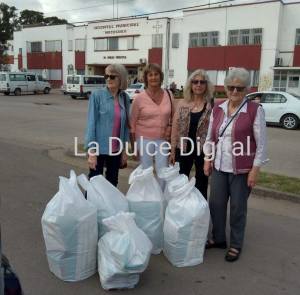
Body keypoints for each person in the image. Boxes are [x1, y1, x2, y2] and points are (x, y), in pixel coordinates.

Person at [204, 67, 268, 262]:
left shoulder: (254, 110)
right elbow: (210, 137)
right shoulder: (218, 108)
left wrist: (254, 171)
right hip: (219, 167)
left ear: (246, 89)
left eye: (239, 89)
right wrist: (208, 159)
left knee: (238, 208)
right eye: (231, 87)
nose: (234, 92)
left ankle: (236, 244)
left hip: (242, 168)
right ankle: (218, 238)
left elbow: (262, 144)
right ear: (226, 88)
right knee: (216, 205)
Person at [170, 69, 214, 199]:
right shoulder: (182, 103)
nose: (198, 85)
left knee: (201, 182)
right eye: (195, 82)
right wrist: (172, 151)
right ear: (191, 84)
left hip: (202, 150)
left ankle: (199, 211)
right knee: (180, 181)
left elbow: (214, 130)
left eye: (202, 82)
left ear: (206, 85)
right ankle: (180, 210)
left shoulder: (210, 105)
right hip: (183, 148)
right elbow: (175, 127)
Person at [84, 63, 130, 187]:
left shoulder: (125, 98)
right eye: (106, 76)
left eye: (112, 76)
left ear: (121, 78)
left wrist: (125, 150)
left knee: (112, 182)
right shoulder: (97, 95)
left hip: (116, 149)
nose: (108, 79)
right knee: (94, 183)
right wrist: (92, 151)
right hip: (99, 148)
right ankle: (91, 206)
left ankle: (109, 207)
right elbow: (91, 123)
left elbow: (126, 126)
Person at [130, 63, 174, 188]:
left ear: (161, 77)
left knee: (163, 172)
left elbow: (173, 115)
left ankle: (161, 200)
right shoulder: (139, 98)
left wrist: (170, 127)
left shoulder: (168, 94)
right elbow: (132, 124)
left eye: (156, 74)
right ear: (146, 78)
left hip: (163, 140)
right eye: (150, 75)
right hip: (144, 139)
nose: (153, 77)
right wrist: (134, 147)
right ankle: (148, 199)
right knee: (146, 172)